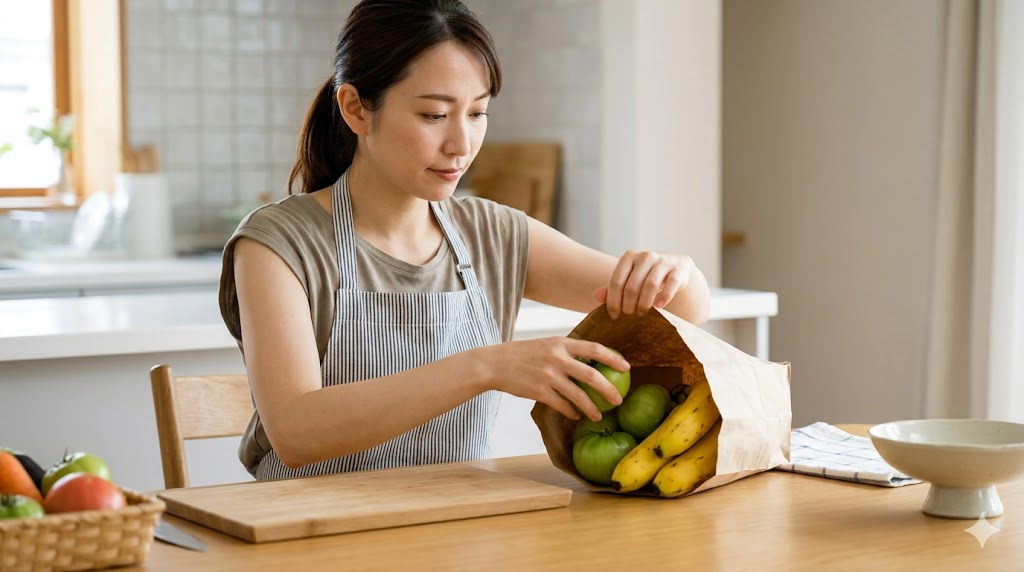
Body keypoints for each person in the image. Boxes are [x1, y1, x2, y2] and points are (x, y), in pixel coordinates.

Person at [219, 0, 711, 481]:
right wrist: (486, 367)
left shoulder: (492, 233)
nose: (462, 145)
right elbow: (296, 432)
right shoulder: (277, 243)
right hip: (308, 526)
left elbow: (684, 309)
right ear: (356, 109)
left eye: (477, 113)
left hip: (458, 523)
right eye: (434, 115)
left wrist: (676, 271)